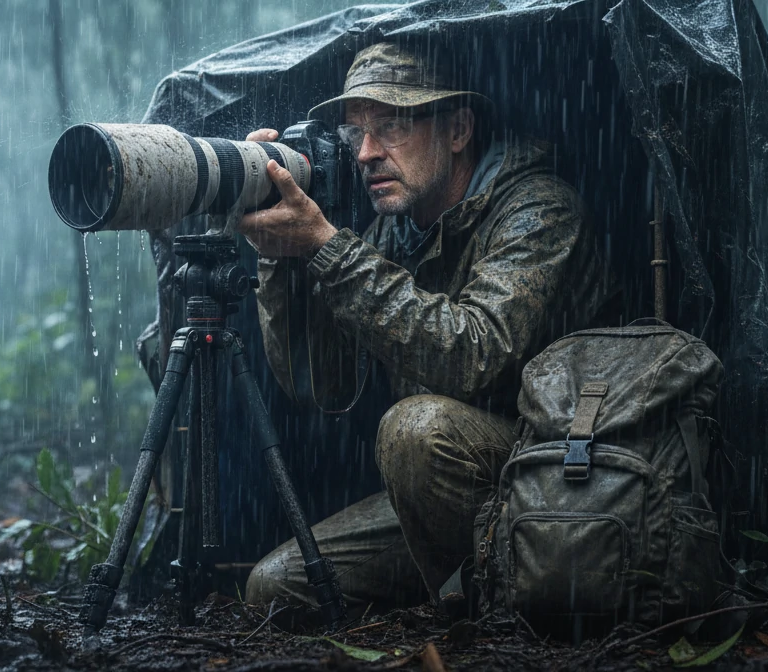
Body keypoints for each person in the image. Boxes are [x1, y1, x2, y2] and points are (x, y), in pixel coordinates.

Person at [238, 41, 609, 612]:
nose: (365, 153)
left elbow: (474, 355)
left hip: (558, 481)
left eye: (390, 127)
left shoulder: (539, 210)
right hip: (443, 492)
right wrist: (282, 254)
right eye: (356, 133)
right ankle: (465, 583)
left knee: (416, 429)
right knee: (277, 587)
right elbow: (323, 384)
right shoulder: (397, 230)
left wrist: (330, 249)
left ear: (458, 129)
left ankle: (492, 610)